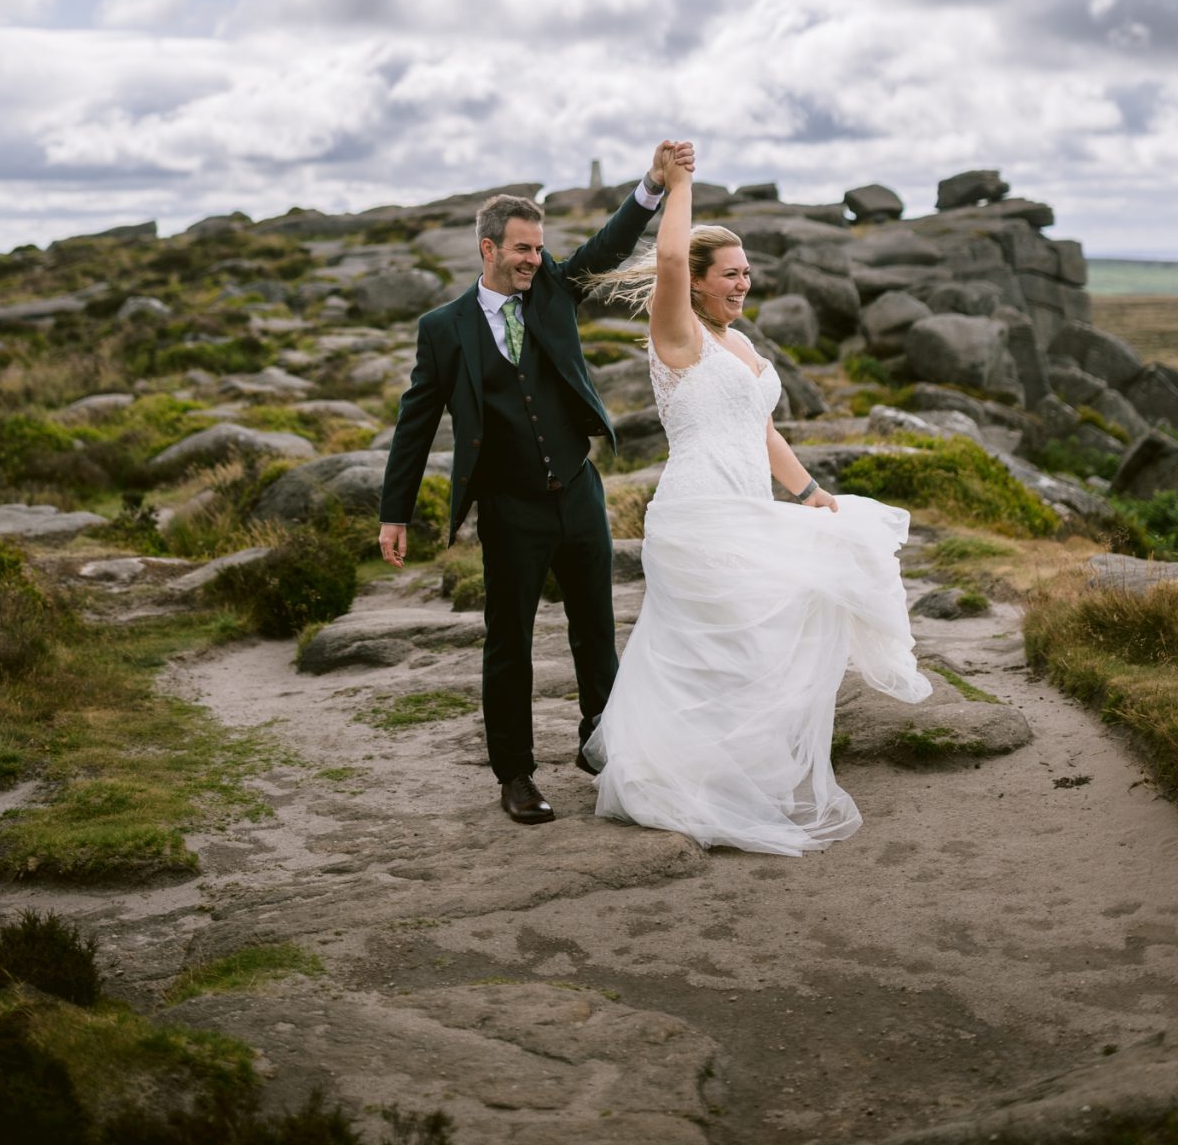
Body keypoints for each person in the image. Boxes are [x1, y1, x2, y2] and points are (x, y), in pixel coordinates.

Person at [581, 153, 930, 855]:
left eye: (746, 272)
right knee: (715, 645)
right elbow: (671, 256)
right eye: (730, 274)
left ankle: (728, 773)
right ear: (699, 284)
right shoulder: (673, 333)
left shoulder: (736, 341)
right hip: (698, 511)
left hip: (745, 504)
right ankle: (677, 779)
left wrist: (808, 493)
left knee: (751, 643)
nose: (743, 283)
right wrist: (676, 186)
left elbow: (761, 429)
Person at [378, 142, 695, 826]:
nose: (532, 259)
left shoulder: (552, 285)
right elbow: (415, 423)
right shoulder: (444, 330)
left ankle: (600, 739)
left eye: (537, 248)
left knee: (595, 631)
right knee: (509, 641)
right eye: (520, 249)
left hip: (577, 490)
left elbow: (605, 249)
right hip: (507, 506)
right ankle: (515, 773)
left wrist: (650, 186)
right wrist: (393, 512)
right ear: (487, 250)